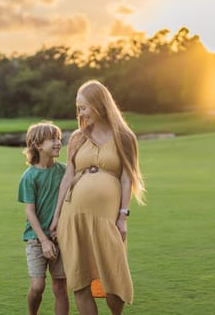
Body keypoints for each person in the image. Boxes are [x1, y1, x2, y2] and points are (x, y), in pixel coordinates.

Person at [50, 80, 145, 315]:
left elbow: (126, 178)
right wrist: (56, 216)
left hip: (107, 219)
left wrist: (123, 216)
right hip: (73, 217)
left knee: (114, 282)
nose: (80, 113)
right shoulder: (77, 138)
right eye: (78, 108)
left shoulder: (124, 137)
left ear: (99, 104)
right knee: (80, 284)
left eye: (84, 107)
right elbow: (67, 177)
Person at [18, 122, 69, 315]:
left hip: (60, 237)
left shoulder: (64, 171)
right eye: (53, 139)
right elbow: (29, 212)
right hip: (36, 239)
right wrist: (44, 240)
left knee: (60, 287)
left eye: (59, 138)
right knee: (38, 286)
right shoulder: (29, 177)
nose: (58, 143)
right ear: (38, 145)